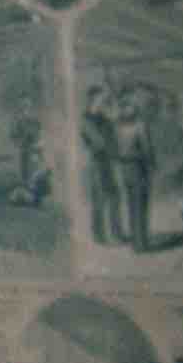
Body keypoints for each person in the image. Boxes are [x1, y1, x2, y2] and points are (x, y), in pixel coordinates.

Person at [116, 86, 155, 251]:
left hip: (125, 169)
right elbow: (147, 149)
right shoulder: (139, 126)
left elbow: (118, 149)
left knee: (132, 205)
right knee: (141, 205)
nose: (133, 108)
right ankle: (141, 244)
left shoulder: (118, 126)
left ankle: (136, 243)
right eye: (131, 105)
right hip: (138, 168)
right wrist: (152, 165)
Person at [81, 84, 120, 244]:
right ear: (92, 99)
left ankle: (116, 232)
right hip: (95, 163)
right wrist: (109, 142)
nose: (104, 102)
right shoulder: (86, 119)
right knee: (99, 200)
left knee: (114, 197)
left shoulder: (104, 119)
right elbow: (100, 142)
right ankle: (100, 236)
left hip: (107, 161)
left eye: (104, 99)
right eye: (101, 99)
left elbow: (114, 139)